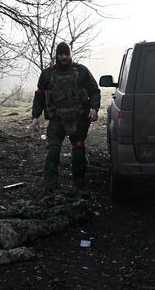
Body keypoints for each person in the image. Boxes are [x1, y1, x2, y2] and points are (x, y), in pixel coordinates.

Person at [31, 41, 100, 196]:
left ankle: (79, 184)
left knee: (78, 149)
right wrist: (35, 116)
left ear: (70, 54)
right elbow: (40, 95)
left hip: (79, 117)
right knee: (53, 150)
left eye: (66, 54)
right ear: (57, 55)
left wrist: (94, 109)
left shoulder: (81, 71)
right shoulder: (48, 74)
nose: (63, 57)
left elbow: (94, 90)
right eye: (61, 54)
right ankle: (50, 186)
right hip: (57, 118)